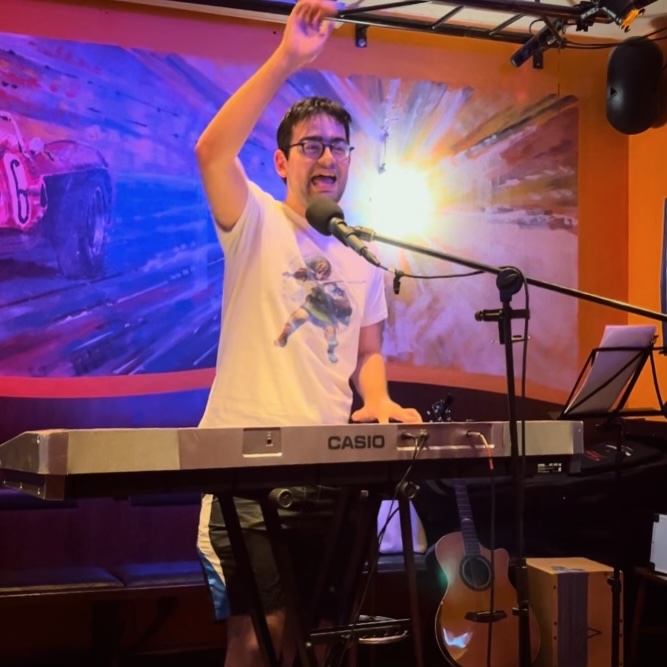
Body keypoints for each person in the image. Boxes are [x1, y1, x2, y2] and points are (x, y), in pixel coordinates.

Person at [194, 1, 422, 664]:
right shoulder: (255, 220)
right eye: (311, 145)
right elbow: (210, 151)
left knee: (323, 636)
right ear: (281, 161)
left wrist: (377, 399)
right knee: (260, 632)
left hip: (328, 469)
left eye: (338, 146)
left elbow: (367, 350)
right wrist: (288, 57)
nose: (327, 156)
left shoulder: (363, 251)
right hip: (242, 468)